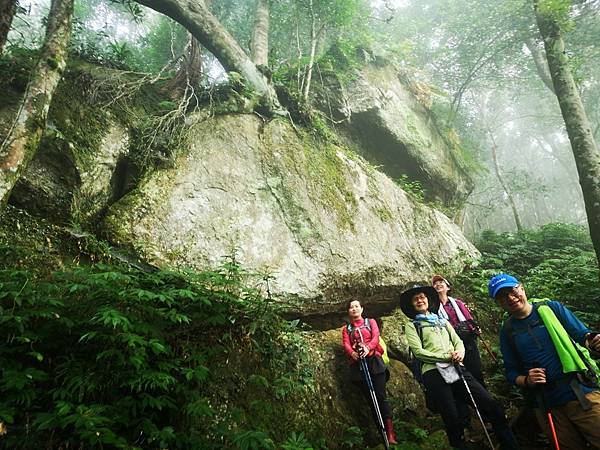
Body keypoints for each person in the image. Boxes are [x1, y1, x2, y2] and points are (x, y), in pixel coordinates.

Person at [489, 273, 600, 450]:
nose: (510, 297)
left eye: (511, 290)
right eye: (502, 296)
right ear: (499, 303)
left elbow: (583, 335)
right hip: (546, 405)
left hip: (581, 393)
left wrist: (594, 341)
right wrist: (526, 380)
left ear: (521, 288)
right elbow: (511, 372)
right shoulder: (508, 331)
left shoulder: (551, 308)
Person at [400, 284, 519, 450]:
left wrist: (460, 353)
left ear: (428, 300)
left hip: (456, 367)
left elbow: (457, 341)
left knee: (490, 403)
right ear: (412, 305)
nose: (420, 300)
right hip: (433, 372)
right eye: (416, 299)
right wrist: (446, 357)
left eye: (422, 297)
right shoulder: (412, 325)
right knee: (452, 417)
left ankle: (509, 443)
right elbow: (419, 352)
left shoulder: (442, 321)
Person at [342, 299, 397, 445]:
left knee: (381, 397)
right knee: (371, 401)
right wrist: (352, 353)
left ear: (361, 309)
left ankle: (391, 434)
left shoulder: (370, 322)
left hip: (374, 362)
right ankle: (382, 433)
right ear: (348, 311)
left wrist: (367, 348)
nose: (354, 309)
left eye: (356, 306)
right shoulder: (346, 329)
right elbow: (346, 343)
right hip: (359, 365)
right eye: (351, 307)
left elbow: (376, 337)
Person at [432, 274, 485, 385]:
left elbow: (469, 319)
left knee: (475, 369)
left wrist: (475, 330)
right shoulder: (433, 308)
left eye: (441, 282)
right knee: (458, 374)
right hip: (450, 343)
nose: (438, 285)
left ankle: (483, 394)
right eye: (435, 284)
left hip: (467, 339)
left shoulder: (458, 303)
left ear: (448, 287)